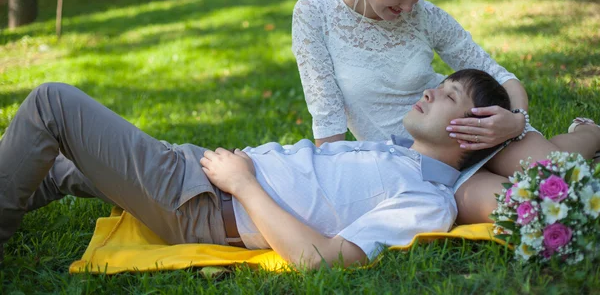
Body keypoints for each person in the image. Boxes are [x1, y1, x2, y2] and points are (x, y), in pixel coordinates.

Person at [0, 70, 518, 268]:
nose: (430, 90)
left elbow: (326, 260)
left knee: (52, 104)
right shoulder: (395, 152)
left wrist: (244, 185)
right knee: (61, 167)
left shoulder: (428, 199)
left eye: (449, 95)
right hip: (197, 172)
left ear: (473, 132)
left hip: (202, 201)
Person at [291, 0, 600, 224]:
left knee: (556, 173)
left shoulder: (425, 16)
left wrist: (516, 121)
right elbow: (326, 114)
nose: (410, 6)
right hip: (412, 166)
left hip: (477, 132)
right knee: (532, 208)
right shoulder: (315, 13)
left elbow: (498, 75)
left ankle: (590, 133)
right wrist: (333, 186)